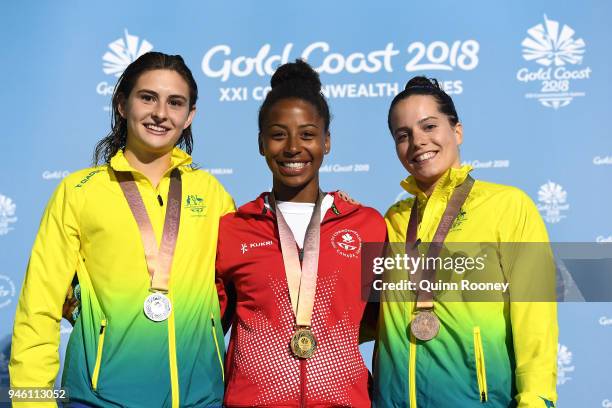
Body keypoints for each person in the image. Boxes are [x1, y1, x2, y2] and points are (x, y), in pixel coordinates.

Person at [10, 52, 233, 407]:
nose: (161, 113)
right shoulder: (78, 192)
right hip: (101, 400)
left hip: (200, 400)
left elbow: (239, 289)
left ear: (189, 115)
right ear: (122, 104)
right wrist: (29, 401)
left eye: (175, 103)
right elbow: (39, 308)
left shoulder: (212, 194)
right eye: (147, 97)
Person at [373, 77, 558, 407]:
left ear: (457, 131)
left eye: (429, 126)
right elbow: (355, 317)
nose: (417, 141)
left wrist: (536, 399)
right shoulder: (393, 221)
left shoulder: (508, 206)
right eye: (403, 136)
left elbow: (535, 318)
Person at [215, 60, 387, 407]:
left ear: (326, 142)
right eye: (279, 135)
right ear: (262, 143)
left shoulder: (367, 224)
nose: (293, 147)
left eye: (307, 134)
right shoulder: (232, 229)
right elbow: (206, 325)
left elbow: (384, 322)